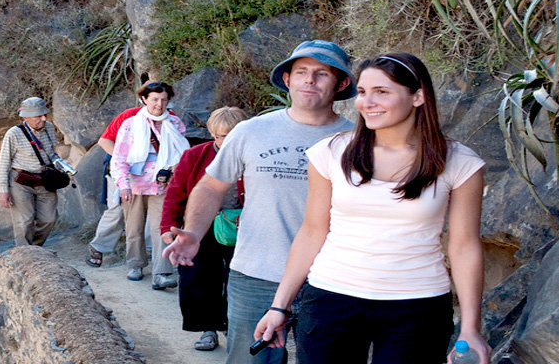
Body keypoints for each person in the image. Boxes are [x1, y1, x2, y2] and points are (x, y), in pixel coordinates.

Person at [252, 53, 489, 363]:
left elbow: (464, 246)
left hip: (417, 306)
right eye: (363, 92)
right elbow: (312, 232)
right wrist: (279, 305)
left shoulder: (460, 162)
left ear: (417, 97)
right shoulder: (330, 153)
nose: (367, 102)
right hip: (330, 299)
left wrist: (470, 327)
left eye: (382, 92)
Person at [163, 39, 356, 364]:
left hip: (332, 280)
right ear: (287, 79)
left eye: (322, 74)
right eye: (302, 72)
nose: (309, 80)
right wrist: (194, 233)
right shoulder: (250, 131)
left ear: (342, 83)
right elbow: (211, 186)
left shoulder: (358, 141)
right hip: (256, 274)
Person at [160, 107, 248, 351]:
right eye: (221, 136)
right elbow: (175, 194)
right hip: (201, 227)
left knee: (238, 278)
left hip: (241, 227)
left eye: (233, 135)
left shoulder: (254, 156)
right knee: (199, 277)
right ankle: (206, 329)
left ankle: (234, 326)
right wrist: (169, 226)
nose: (226, 141)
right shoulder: (195, 155)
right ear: (212, 134)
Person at [111, 81, 188, 289]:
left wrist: (174, 169)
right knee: (134, 227)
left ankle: (161, 272)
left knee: (162, 228)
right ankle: (135, 264)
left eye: (163, 100)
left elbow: (182, 153)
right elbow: (119, 157)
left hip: (163, 184)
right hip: (135, 184)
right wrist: (123, 184)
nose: (159, 104)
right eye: (154, 99)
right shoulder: (130, 124)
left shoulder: (174, 123)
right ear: (144, 99)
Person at [86, 100, 177, 268]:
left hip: (154, 174)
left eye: (165, 105)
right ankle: (98, 246)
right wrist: (127, 160)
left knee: (152, 214)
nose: (160, 109)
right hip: (124, 170)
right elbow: (105, 141)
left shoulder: (171, 119)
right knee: (117, 209)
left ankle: (147, 252)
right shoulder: (129, 116)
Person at [0, 97, 62, 247]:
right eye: (38, 116)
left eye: (44, 114)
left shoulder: (49, 127)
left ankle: (35, 249)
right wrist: (3, 191)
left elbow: (52, 153)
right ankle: (24, 253)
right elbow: (3, 163)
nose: (43, 119)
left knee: (49, 219)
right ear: (25, 117)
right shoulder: (13, 134)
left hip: (45, 180)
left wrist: (61, 165)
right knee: (24, 221)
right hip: (21, 182)